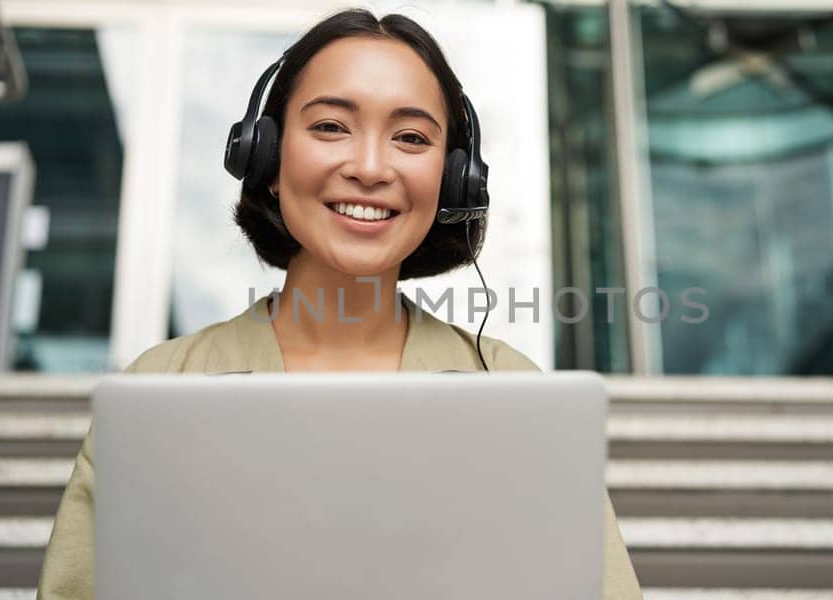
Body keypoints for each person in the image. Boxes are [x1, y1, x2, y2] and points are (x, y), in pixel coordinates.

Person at [35, 9, 644, 599]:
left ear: (454, 181)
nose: (371, 167)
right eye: (330, 126)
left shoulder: (512, 392)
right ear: (267, 158)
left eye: (410, 137)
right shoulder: (159, 389)